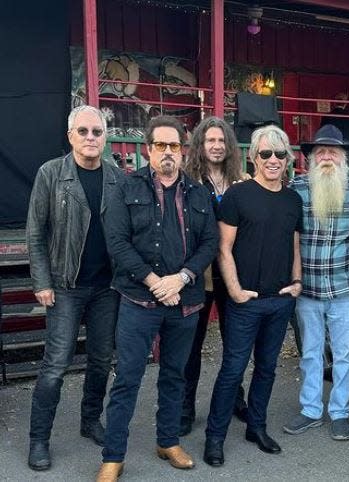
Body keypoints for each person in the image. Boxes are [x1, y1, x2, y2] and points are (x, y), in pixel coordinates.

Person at [97, 115, 218, 481]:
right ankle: (113, 456)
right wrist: (154, 281)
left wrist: (180, 278)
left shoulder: (198, 192)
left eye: (174, 146)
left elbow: (210, 242)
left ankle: (168, 441)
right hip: (139, 301)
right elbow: (116, 241)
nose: (168, 152)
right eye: (161, 145)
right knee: (128, 379)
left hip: (185, 301)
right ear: (148, 149)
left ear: (183, 151)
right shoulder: (126, 187)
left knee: (174, 376)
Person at [26, 105, 122, 471]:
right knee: (55, 366)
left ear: (105, 136)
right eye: (82, 132)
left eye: (96, 132)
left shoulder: (116, 178)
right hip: (64, 287)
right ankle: (39, 439)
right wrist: (42, 282)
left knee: (100, 361)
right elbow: (35, 233)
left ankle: (89, 419)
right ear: (70, 136)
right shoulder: (51, 174)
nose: (90, 138)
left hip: (106, 289)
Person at [203, 125, 302, 467]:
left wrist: (297, 281)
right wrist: (234, 291)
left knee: (267, 369)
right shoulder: (237, 196)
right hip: (245, 302)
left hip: (280, 300)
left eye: (279, 154)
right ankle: (214, 437)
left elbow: (293, 242)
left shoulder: (293, 199)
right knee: (232, 370)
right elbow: (223, 248)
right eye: (265, 153)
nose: (272, 160)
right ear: (252, 156)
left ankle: (255, 427)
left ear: (288, 159)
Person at [283, 124, 349, 441]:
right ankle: (311, 410)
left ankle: (340, 412)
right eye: (321, 151)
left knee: (344, 354)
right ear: (311, 158)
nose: (327, 156)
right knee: (311, 353)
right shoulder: (297, 188)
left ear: (345, 157)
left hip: (345, 289)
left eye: (333, 150)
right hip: (308, 290)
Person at [180, 116, 248, 437]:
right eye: (210, 141)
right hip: (201, 275)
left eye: (221, 141)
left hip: (234, 272)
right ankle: (185, 407)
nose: (217, 146)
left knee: (234, 343)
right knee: (191, 346)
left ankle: (236, 398)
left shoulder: (241, 180)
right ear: (200, 145)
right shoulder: (188, 181)